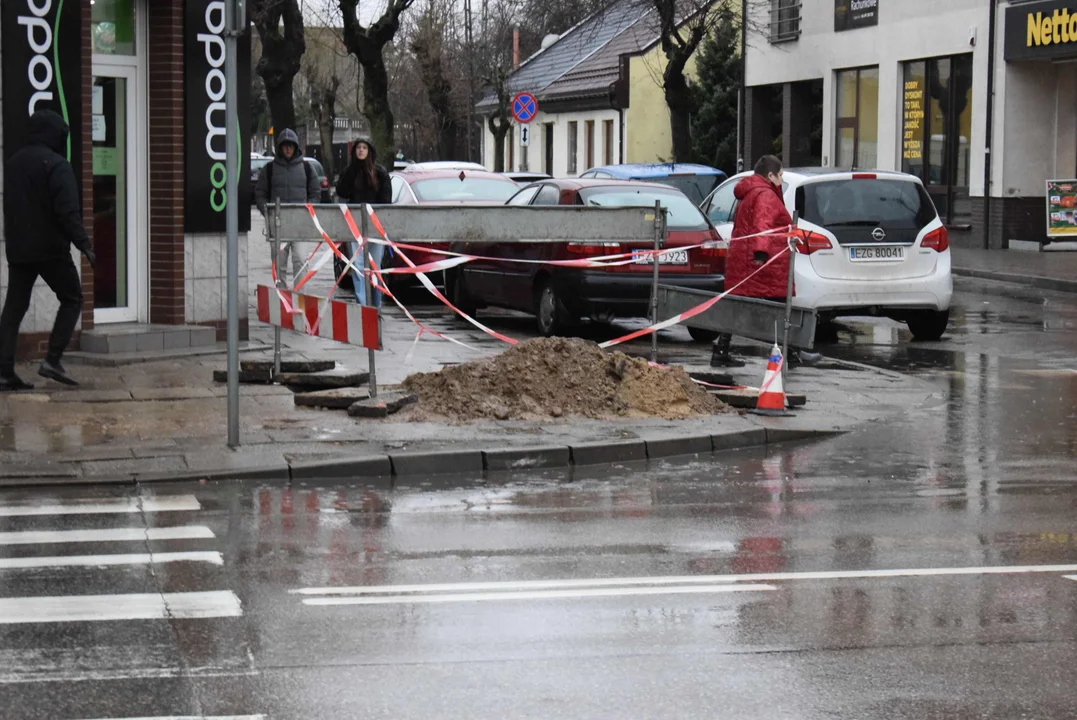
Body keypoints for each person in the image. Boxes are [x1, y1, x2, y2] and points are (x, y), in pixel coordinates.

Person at [0, 110, 95, 390]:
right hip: (50, 248)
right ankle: (52, 360)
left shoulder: (13, 162)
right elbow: (67, 212)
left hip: (19, 249)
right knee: (73, 298)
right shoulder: (57, 165)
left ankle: (4, 371)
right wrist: (84, 245)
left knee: (14, 308)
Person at [712, 154, 795, 368]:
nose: (781, 181)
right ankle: (792, 352)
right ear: (770, 175)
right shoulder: (766, 194)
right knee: (780, 306)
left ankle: (722, 350)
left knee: (738, 307)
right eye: (780, 176)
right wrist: (761, 253)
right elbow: (762, 224)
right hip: (765, 264)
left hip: (744, 261)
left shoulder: (750, 192)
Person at [254, 128, 321, 286]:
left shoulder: (306, 168)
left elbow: (315, 192)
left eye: (291, 145)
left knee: (301, 262)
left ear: (296, 147)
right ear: (280, 147)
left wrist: (309, 211)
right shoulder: (269, 169)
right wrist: (268, 212)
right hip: (278, 226)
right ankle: (282, 302)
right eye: (285, 145)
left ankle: (299, 300)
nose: (288, 148)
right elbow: (260, 193)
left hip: (300, 226)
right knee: (279, 266)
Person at [335, 136, 392, 307]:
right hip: (355, 226)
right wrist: (353, 170)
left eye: (364, 147)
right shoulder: (349, 171)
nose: (361, 150)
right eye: (358, 147)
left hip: (375, 226)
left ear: (370, 151)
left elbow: (386, 201)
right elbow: (342, 191)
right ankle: (362, 305)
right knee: (358, 267)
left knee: (374, 266)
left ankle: (376, 304)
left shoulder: (380, 173)